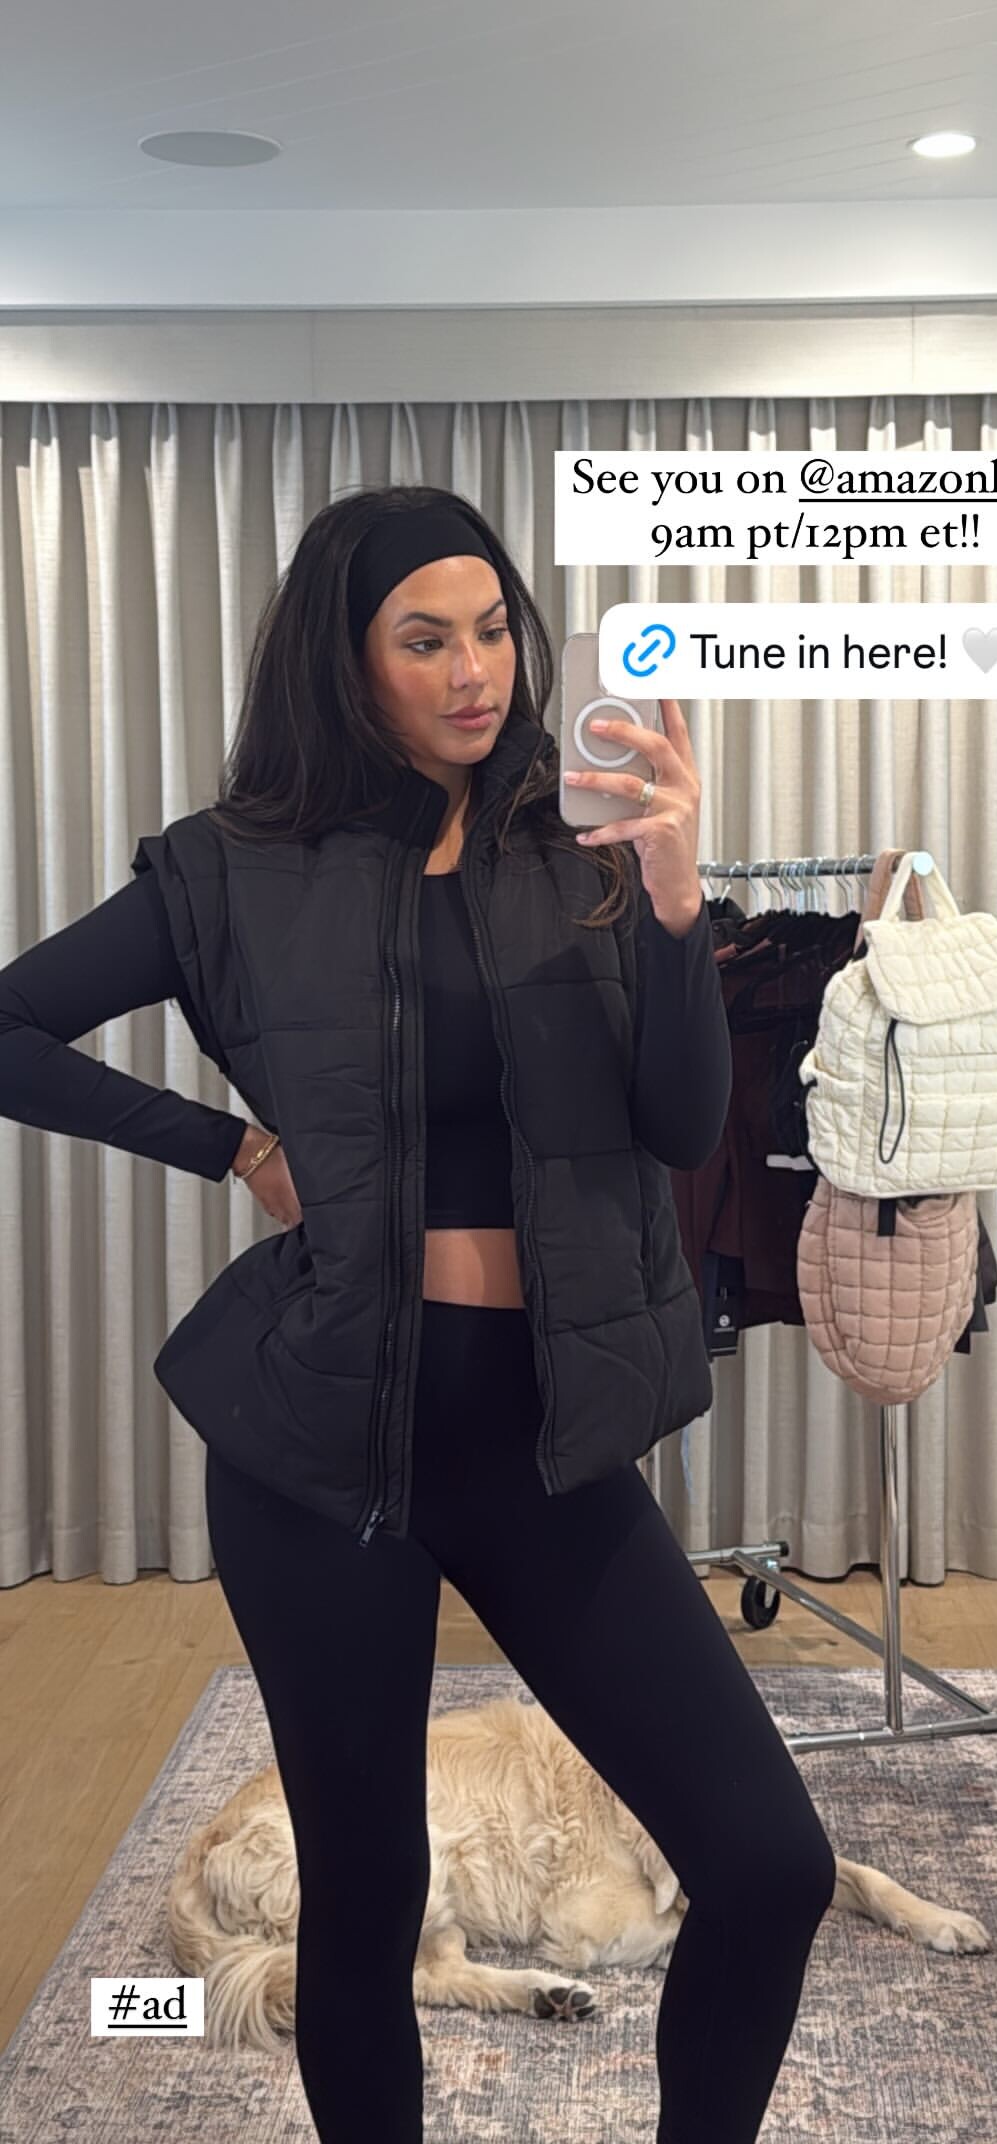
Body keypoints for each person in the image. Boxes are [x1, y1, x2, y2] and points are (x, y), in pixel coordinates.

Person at [0, 485, 837, 2142]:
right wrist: (231, 1146)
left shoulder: (579, 848)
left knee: (766, 1863)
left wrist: (677, 901)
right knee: (368, 1887)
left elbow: (681, 1126)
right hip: (321, 1445)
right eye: (425, 639)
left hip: (542, 1432)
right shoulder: (232, 870)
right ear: (347, 662)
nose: (475, 671)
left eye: (494, 629)